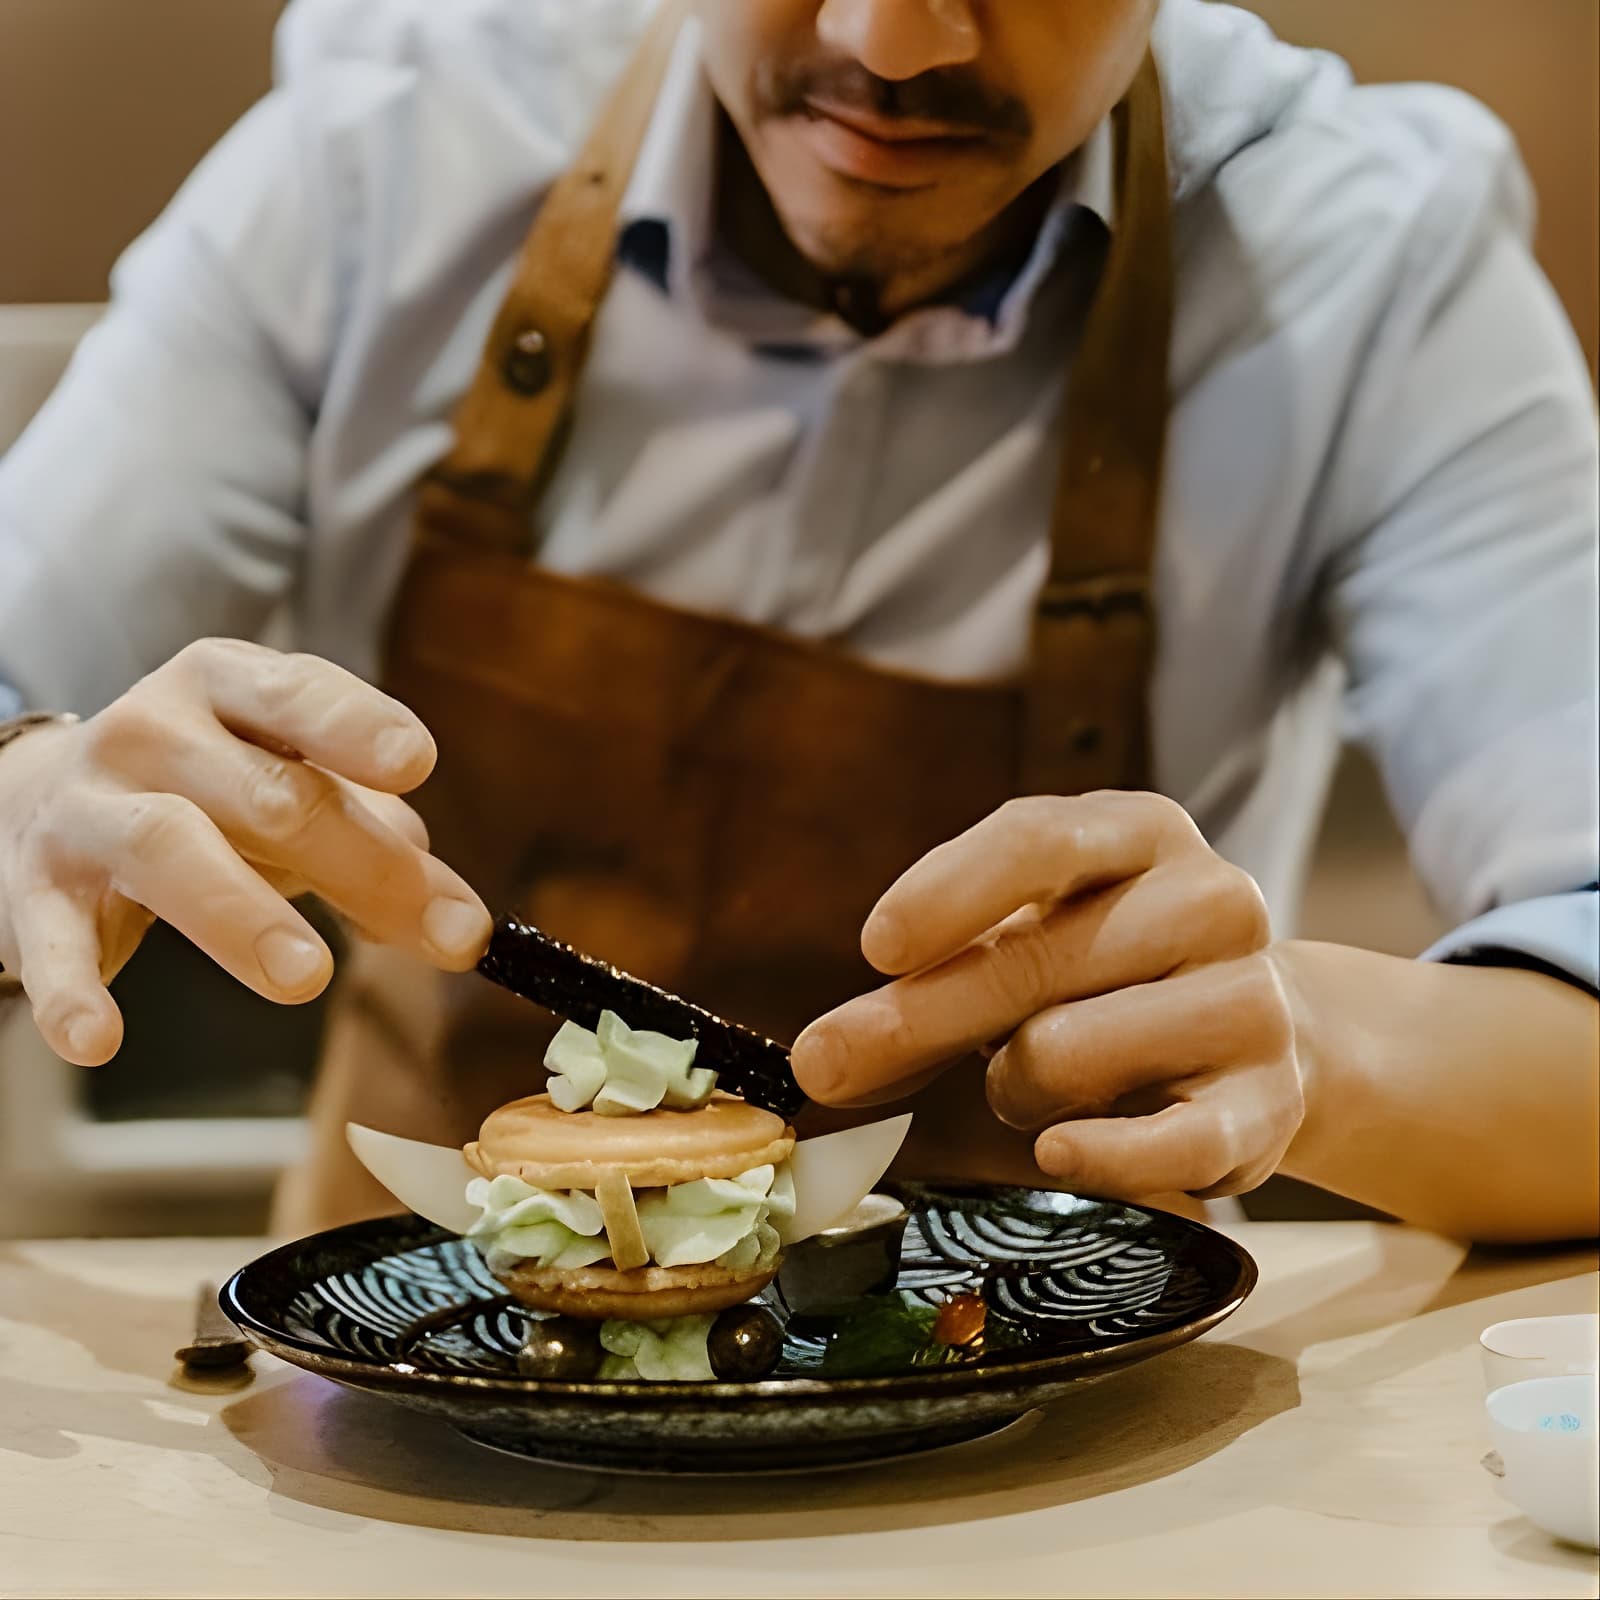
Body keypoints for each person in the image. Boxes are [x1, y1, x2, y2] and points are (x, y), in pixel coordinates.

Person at [0, 0, 1594, 1243]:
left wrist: (1312, 1040)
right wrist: (29, 795)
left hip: (1074, 1470)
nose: (888, 42)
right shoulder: (387, 145)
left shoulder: (1375, 264)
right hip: (414, 1447)